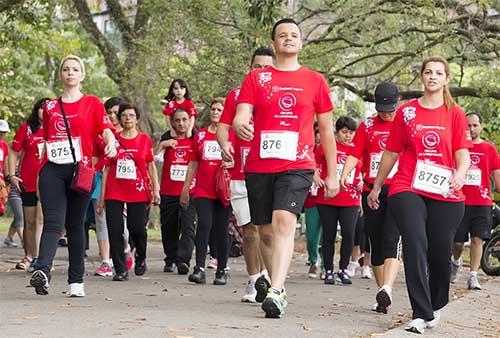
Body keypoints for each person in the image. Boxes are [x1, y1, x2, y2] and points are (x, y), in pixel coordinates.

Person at [232, 18, 339, 318]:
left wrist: (332, 173)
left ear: (301, 43)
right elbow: (242, 115)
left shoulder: (315, 81)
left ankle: (277, 290)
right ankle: (275, 280)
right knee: (265, 232)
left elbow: (327, 132)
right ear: (275, 42)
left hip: (298, 164)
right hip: (259, 165)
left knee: (283, 222)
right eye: (282, 35)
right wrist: (241, 126)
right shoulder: (257, 79)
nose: (288, 39)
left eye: (294, 35)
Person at [367, 55, 472, 333]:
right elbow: (391, 152)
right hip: (407, 186)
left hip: (445, 191)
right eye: (428, 72)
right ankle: (420, 313)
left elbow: (463, 153)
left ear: (446, 79)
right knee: (414, 242)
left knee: (439, 252)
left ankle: (435, 305)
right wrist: (378, 185)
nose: (433, 76)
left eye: (439, 73)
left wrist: (460, 173)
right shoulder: (407, 112)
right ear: (422, 77)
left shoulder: (456, 114)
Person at [29, 55, 117, 297]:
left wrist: (110, 143)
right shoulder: (50, 107)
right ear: (61, 75)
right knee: (53, 222)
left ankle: (76, 280)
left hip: (80, 171)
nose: (70, 73)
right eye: (66, 69)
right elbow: (46, 141)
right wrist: (38, 177)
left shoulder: (92, 103)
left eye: (75, 69)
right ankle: (42, 271)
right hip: (53, 170)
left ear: (82, 75)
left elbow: (106, 130)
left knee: (76, 225)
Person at [217, 46, 275, 302]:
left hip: (271, 173)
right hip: (241, 174)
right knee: (249, 231)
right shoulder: (237, 95)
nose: (261, 72)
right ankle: (254, 281)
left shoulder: (281, 93)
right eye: (257, 67)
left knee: (268, 231)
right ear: (249, 69)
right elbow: (223, 126)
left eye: (266, 67)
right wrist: (224, 145)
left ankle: (271, 279)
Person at [340, 82, 402, 313]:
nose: (385, 112)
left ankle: (388, 286)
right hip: (371, 190)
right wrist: (344, 176)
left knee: (392, 238)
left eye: (390, 107)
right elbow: (354, 155)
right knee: (375, 242)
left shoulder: (405, 123)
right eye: (381, 108)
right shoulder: (367, 126)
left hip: (398, 189)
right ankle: (381, 292)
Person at [97, 103, 160, 281]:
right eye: (123, 115)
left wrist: (156, 189)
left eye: (131, 115)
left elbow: (150, 165)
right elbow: (106, 169)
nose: (127, 118)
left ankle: (141, 256)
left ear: (137, 118)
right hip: (115, 190)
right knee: (115, 230)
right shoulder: (113, 139)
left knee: (137, 228)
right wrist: (101, 199)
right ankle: (120, 269)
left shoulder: (144, 140)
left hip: (138, 189)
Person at [181, 97, 232, 286]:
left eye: (220, 109)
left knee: (221, 228)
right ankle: (199, 268)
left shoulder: (232, 135)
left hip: (223, 189)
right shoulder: (200, 135)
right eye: (213, 109)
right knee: (204, 225)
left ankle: (222, 269)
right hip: (203, 188)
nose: (216, 112)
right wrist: (186, 188)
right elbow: (193, 162)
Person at [451, 112, 500, 289]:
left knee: (478, 240)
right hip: (460, 201)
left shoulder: (489, 149)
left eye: (474, 125)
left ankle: (473, 275)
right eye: (468, 126)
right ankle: (455, 262)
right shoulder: (456, 147)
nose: (471, 129)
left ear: (481, 126)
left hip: (482, 203)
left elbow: (497, 177)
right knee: (457, 242)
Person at [316, 116, 362, 285]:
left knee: (349, 234)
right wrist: (316, 177)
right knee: (329, 234)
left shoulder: (357, 150)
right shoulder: (326, 147)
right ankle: (328, 270)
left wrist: (362, 182)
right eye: (344, 132)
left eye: (351, 133)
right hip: (327, 197)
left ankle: (343, 269)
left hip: (350, 199)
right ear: (337, 132)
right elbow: (313, 164)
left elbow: (363, 170)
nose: (348, 136)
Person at [7, 98, 49, 270]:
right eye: (41, 108)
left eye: (48, 108)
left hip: (49, 182)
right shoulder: (27, 128)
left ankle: (41, 258)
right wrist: (11, 175)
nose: (44, 111)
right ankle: (29, 256)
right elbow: (13, 152)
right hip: (28, 182)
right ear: (36, 110)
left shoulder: (57, 129)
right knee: (29, 221)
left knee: (41, 220)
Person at [157, 108, 196, 275]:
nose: (181, 123)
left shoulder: (196, 140)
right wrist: (162, 145)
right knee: (169, 227)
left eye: (184, 120)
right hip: (168, 190)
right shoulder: (166, 140)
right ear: (172, 122)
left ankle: (183, 260)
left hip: (190, 191)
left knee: (188, 227)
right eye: (177, 120)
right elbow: (151, 160)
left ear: (189, 121)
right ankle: (170, 258)